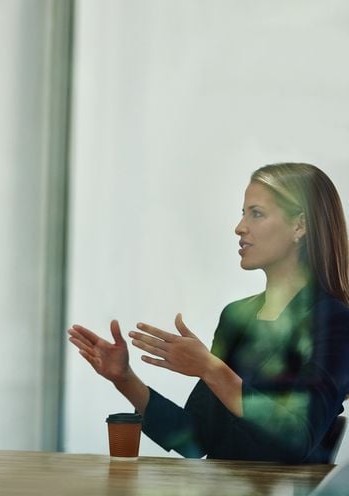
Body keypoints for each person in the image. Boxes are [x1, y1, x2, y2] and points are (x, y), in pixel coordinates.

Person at [68, 163, 349, 463]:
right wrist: (125, 379)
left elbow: (296, 438)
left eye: (256, 213)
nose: (240, 227)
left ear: (299, 226)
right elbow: (195, 438)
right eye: (243, 214)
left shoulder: (335, 322)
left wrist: (211, 368)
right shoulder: (236, 316)